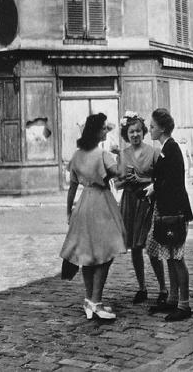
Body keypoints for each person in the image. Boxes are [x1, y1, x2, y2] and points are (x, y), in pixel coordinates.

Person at [60, 113, 126, 320]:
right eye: (104, 128)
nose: (107, 131)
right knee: (106, 254)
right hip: (102, 204)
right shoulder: (103, 154)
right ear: (96, 131)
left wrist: (69, 212)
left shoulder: (77, 155)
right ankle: (96, 302)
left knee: (87, 255)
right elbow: (121, 174)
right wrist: (120, 153)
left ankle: (89, 299)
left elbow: (72, 188)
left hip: (83, 205)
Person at [145, 108, 193, 321]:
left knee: (177, 258)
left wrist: (156, 188)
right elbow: (165, 180)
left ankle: (184, 305)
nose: (150, 130)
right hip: (168, 210)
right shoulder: (167, 148)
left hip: (174, 212)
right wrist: (153, 188)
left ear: (162, 128)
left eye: (152, 126)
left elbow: (172, 183)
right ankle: (173, 299)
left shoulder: (171, 149)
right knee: (169, 256)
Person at [114, 112, 160, 304]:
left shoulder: (154, 152)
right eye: (131, 132)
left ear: (144, 132)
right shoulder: (122, 155)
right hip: (130, 203)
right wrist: (125, 180)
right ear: (127, 134)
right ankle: (142, 288)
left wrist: (142, 180)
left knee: (152, 247)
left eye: (138, 131)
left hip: (148, 202)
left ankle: (163, 288)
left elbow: (160, 180)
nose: (135, 135)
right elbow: (116, 183)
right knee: (135, 248)